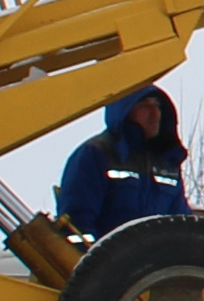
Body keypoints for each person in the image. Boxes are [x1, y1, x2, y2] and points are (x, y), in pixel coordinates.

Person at [56, 86, 193, 237]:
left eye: (158, 106)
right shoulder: (97, 154)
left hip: (152, 259)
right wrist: (91, 257)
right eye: (145, 106)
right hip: (105, 257)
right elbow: (77, 221)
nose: (155, 113)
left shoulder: (167, 162)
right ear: (124, 111)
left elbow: (183, 226)